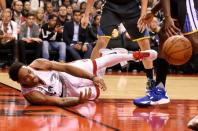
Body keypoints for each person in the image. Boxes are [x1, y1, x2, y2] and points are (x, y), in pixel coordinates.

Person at [81, 0, 163, 106]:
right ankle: (89, 78)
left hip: (132, 8)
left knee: (145, 43)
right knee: (101, 42)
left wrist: (143, 13)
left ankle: (151, 83)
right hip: (111, 8)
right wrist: (86, 15)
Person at [8, 49, 157, 107]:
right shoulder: (33, 95)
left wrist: (92, 77)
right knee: (98, 89)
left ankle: (134, 55)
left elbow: (66, 67)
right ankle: (110, 55)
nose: (31, 76)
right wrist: (78, 101)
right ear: (20, 82)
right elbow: (59, 101)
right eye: (26, 78)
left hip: (69, 74)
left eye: (28, 71)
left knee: (99, 63)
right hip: (71, 94)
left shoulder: (38, 64)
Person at [134, 0, 198, 107]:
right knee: (165, 36)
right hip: (174, 4)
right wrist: (154, 12)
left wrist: (167, 17)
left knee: (194, 41)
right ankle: (160, 91)